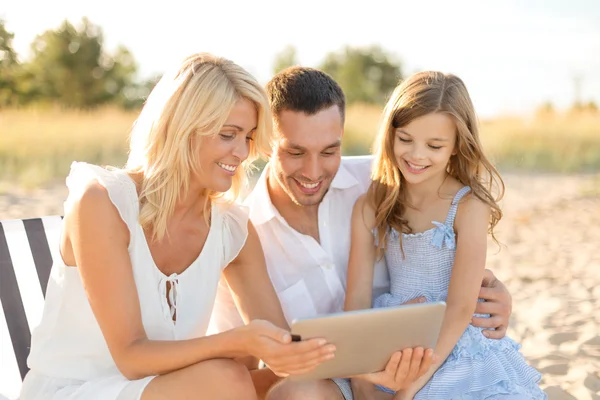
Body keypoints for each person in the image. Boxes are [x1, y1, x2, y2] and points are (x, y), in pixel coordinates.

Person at [19, 53, 338, 400]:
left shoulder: (231, 229)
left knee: (301, 388)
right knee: (228, 379)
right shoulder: (103, 202)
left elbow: (282, 353)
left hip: (169, 389)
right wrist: (236, 342)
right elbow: (130, 357)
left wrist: (366, 366)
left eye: (248, 137)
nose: (242, 152)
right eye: (228, 134)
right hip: (75, 391)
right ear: (182, 127)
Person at [208, 66, 515, 400]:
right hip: (340, 380)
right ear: (266, 143)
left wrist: (494, 295)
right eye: (295, 152)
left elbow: (450, 261)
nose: (313, 172)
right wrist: (363, 376)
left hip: (431, 353)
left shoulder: (388, 181)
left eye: (329, 151)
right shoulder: (240, 235)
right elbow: (248, 371)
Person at [345, 71, 546, 399]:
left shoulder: (467, 206)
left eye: (434, 145)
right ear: (390, 134)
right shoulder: (371, 204)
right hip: (398, 337)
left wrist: (407, 392)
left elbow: (460, 308)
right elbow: (356, 299)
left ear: (455, 147)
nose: (416, 155)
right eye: (405, 139)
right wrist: (361, 382)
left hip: (455, 341)